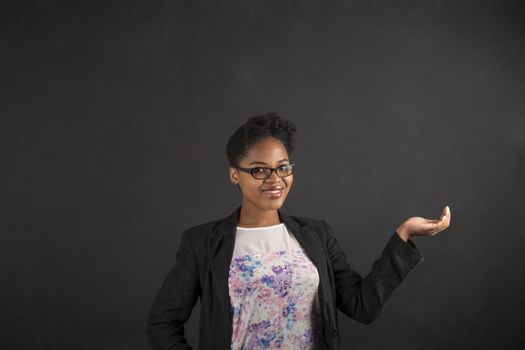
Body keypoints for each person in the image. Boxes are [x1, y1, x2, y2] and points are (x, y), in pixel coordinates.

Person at [145, 113, 451, 350]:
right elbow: (162, 324)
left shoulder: (316, 235)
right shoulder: (203, 242)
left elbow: (362, 306)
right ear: (234, 175)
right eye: (259, 169)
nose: (274, 179)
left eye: (283, 167)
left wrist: (404, 236)